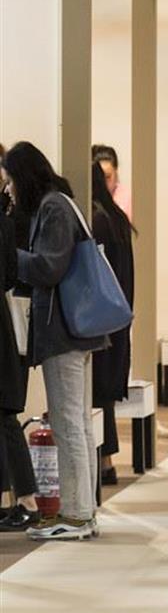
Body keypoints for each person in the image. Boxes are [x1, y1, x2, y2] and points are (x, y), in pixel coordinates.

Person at [5, 142, 106, 540]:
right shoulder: (60, 204)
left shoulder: (53, 207)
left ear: (24, 176)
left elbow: (49, 267)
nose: (10, 189)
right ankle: (83, 512)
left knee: (68, 425)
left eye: (11, 180)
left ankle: (76, 515)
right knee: (77, 424)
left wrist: (10, 256)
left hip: (63, 332)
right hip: (74, 331)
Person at [0, 152, 41, 532]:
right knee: (6, 415)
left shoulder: (14, 217)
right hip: (8, 327)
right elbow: (11, 274)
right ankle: (20, 500)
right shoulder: (7, 218)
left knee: (6, 416)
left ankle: (26, 500)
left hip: (9, 329)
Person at [89, 162, 135, 486]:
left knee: (97, 390)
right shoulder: (115, 217)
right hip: (117, 315)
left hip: (101, 318)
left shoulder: (98, 219)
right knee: (103, 390)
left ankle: (103, 461)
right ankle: (106, 461)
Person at [91, 144, 131, 219]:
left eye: (108, 177)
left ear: (116, 173)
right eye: (99, 177)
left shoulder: (127, 199)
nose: (103, 182)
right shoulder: (87, 200)